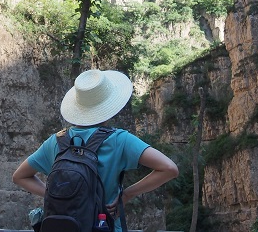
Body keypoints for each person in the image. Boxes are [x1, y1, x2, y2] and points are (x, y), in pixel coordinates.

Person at [12, 69, 179, 232]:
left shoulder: (55, 141)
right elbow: (169, 168)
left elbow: (19, 176)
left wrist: (56, 195)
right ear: (109, 106)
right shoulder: (119, 140)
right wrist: (127, 195)